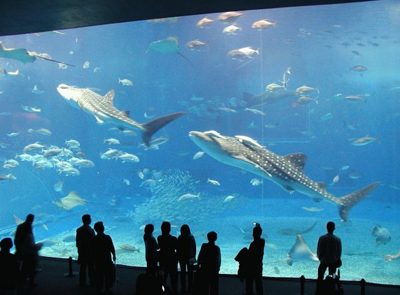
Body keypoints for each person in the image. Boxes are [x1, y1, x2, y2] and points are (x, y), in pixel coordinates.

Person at [315, 221, 342, 294]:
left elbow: (319, 249)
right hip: (333, 262)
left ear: (326, 228)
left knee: (320, 276)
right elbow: (339, 251)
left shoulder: (322, 238)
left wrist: (320, 258)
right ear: (334, 228)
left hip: (323, 262)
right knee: (333, 277)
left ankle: (318, 290)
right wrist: (337, 259)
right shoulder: (337, 239)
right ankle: (332, 290)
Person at [14, 214, 39, 287]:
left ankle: (22, 282)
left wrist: (18, 249)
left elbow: (16, 240)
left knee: (24, 268)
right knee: (32, 268)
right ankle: (31, 283)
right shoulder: (28, 229)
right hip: (29, 253)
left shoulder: (19, 226)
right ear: (32, 220)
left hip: (21, 251)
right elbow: (31, 243)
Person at [92, 221, 116, 293]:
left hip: (98, 260)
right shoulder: (107, 237)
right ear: (103, 229)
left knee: (99, 274)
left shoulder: (94, 239)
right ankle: (107, 288)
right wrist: (114, 255)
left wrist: (93, 260)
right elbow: (112, 247)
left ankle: (99, 288)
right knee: (108, 274)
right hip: (107, 259)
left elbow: (92, 250)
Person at [157, 221, 178, 295]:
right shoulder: (174, 239)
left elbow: (159, 247)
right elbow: (177, 248)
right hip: (172, 260)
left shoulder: (159, 238)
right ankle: (174, 291)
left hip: (163, 259)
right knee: (173, 278)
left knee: (163, 277)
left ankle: (162, 291)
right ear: (170, 229)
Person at [245, 223, 265, 295]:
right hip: (259, 265)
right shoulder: (262, 241)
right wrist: (258, 226)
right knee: (258, 283)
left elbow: (251, 255)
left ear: (253, 234)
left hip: (252, 266)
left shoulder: (253, 244)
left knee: (249, 283)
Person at [76, 214, 95, 287]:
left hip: (82, 251)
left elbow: (78, 242)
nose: (91, 220)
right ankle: (92, 282)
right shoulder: (90, 230)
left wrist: (79, 251)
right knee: (91, 267)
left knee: (82, 267)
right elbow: (93, 241)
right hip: (89, 252)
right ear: (87, 220)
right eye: (90, 219)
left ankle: (82, 282)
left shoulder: (79, 230)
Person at [177, 224, 196, 293]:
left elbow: (178, 248)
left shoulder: (180, 237)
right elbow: (194, 247)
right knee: (190, 273)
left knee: (183, 273)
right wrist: (194, 256)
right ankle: (190, 287)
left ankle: (183, 287)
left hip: (182, 257)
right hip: (190, 257)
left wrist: (178, 257)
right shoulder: (191, 237)